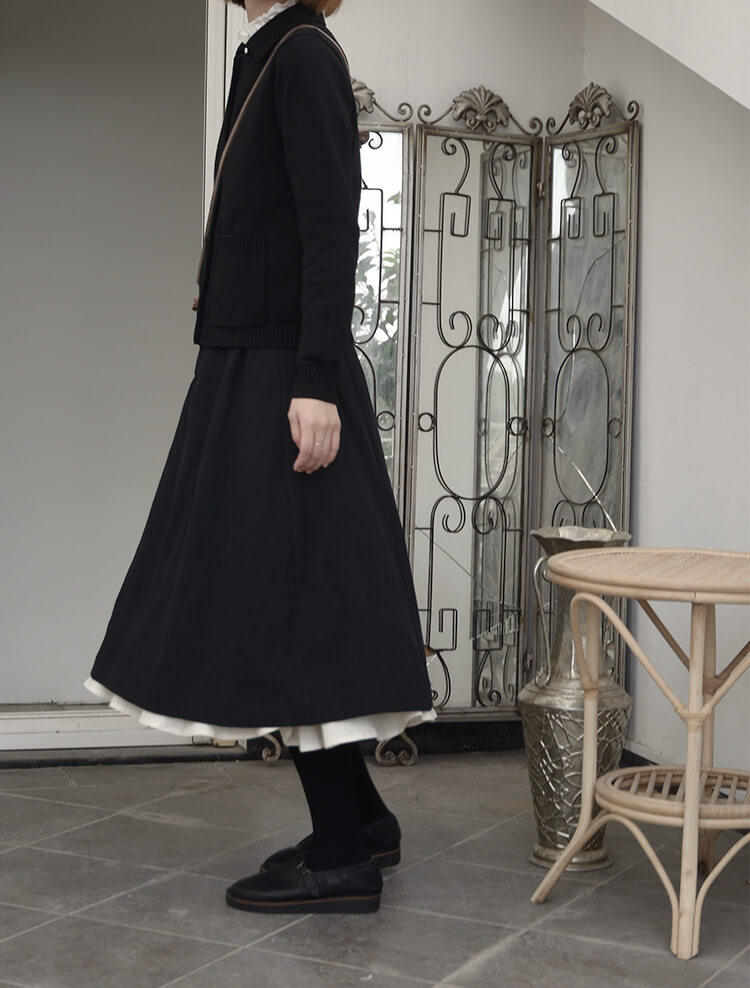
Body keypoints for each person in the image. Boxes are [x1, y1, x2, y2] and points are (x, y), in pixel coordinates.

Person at [85, 0, 436, 915]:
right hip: (253, 361)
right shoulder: (270, 50)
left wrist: (315, 381)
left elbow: (331, 227)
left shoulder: (304, 52)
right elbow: (271, 219)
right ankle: (363, 824)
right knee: (288, 590)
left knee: (293, 601)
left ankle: (342, 856)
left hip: (284, 372)